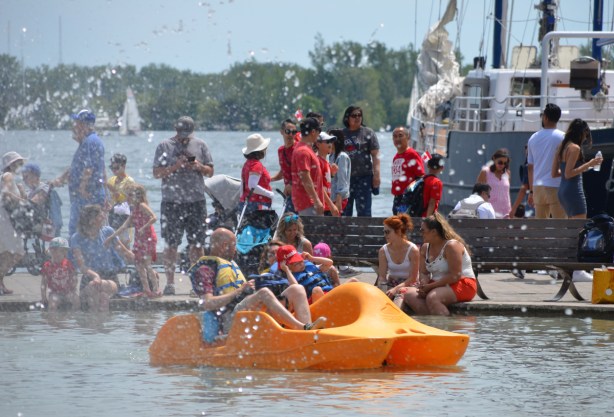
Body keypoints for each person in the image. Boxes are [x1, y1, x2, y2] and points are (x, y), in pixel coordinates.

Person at [190, 228, 326, 341]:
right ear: (224, 246)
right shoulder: (206, 269)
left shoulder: (230, 264)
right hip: (229, 320)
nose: (236, 250)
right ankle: (302, 328)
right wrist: (239, 291)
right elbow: (207, 303)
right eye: (233, 245)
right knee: (263, 293)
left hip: (246, 311)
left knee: (297, 289)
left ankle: (307, 336)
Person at [153, 116, 214, 295]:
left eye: (187, 134)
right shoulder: (164, 146)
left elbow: (210, 172)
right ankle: (170, 283)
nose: (184, 138)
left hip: (196, 201)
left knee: (197, 244)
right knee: (171, 244)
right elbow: (156, 173)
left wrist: (198, 166)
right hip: (172, 202)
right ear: (175, 129)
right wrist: (176, 166)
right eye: (181, 134)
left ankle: (199, 284)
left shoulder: (200, 145)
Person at [403, 213, 477, 316]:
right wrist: (423, 284)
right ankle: (432, 322)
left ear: (434, 232)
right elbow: (423, 272)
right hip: (437, 284)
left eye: (422, 230)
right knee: (407, 293)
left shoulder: (452, 246)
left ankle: (445, 326)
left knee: (433, 297)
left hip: (463, 283)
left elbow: (455, 276)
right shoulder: (424, 248)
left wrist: (430, 287)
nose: (420, 233)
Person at [71, 204, 134, 311]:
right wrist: (95, 276)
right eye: (101, 216)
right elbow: (82, 267)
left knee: (97, 293)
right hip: (89, 278)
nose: (105, 217)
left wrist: (142, 262)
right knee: (102, 297)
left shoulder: (108, 232)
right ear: (91, 220)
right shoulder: (76, 238)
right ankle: (102, 323)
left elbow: (125, 252)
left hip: (110, 278)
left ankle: (94, 323)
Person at [105, 184, 160, 298]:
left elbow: (154, 217)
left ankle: (156, 289)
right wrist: (111, 237)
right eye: (127, 195)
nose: (128, 198)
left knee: (147, 265)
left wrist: (143, 227)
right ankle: (146, 290)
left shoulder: (142, 205)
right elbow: (123, 227)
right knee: (139, 265)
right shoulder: (134, 210)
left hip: (148, 238)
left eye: (130, 195)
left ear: (137, 196)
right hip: (139, 239)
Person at [64, 110, 108, 237]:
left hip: (87, 195)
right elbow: (102, 168)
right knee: (90, 230)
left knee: (77, 230)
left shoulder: (89, 141)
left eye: (77, 123)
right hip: (93, 193)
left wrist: (82, 188)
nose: (74, 126)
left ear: (84, 124)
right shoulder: (91, 141)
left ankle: (74, 256)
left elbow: (89, 168)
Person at [552, 118, 603, 219]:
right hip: (574, 191)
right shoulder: (575, 148)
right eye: (586, 135)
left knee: (571, 227)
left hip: (562, 192)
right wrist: (589, 163)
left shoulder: (561, 146)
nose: (585, 138)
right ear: (581, 133)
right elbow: (568, 173)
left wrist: (590, 166)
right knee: (580, 227)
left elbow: (554, 173)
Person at [527, 103, 567, 219]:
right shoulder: (563, 137)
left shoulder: (533, 138)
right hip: (556, 185)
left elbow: (530, 167)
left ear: (545, 117)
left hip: (538, 187)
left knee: (540, 227)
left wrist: (531, 191)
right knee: (560, 226)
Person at [342, 105, 381, 217]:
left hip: (364, 178)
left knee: (364, 212)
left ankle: (364, 233)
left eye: (359, 115)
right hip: (346, 179)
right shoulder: (341, 134)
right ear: (347, 118)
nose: (357, 118)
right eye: (354, 115)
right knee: (345, 211)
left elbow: (375, 155)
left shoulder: (368, 133)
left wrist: (377, 176)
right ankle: (345, 233)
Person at [376, 214, 420, 309]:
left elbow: (413, 278)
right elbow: (382, 277)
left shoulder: (413, 250)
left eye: (387, 232)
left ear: (399, 231)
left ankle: (395, 318)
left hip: (410, 285)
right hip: (391, 283)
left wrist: (396, 289)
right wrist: (382, 291)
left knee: (399, 297)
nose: (385, 235)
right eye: (384, 232)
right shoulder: (383, 251)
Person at [0, 151, 26, 295]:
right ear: (11, 164)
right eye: (18, 163)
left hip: (6, 218)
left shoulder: (8, 177)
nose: (19, 165)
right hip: (4, 218)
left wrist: (22, 193)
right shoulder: (8, 176)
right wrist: (22, 200)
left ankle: (1, 284)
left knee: (5, 252)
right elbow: (6, 193)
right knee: (16, 252)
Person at [291, 117, 325, 215]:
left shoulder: (306, 148)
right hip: (308, 203)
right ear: (313, 132)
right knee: (311, 230)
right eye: (319, 132)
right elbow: (305, 177)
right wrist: (316, 201)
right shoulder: (303, 151)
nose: (319, 135)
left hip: (309, 202)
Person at [391, 127, 425, 214]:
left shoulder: (412, 154)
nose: (397, 139)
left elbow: (421, 177)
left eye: (400, 136)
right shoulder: (396, 156)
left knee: (404, 223)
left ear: (408, 137)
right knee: (397, 224)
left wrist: (409, 196)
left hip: (408, 198)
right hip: (397, 197)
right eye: (395, 136)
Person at [40, 237, 79, 311]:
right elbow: (43, 283)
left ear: (65, 252)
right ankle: (53, 319)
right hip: (55, 293)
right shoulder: (47, 265)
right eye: (53, 250)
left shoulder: (68, 264)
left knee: (76, 301)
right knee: (52, 304)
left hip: (68, 292)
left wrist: (74, 286)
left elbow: (74, 277)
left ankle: (72, 317)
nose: (55, 253)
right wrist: (43, 297)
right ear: (50, 251)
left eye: (58, 251)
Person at [239, 133, 274, 214]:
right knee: (261, 227)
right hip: (257, 205)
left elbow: (242, 185)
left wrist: (242, 200)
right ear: (260, 150)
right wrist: (270, 194)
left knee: (248, 226)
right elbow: (252, 186)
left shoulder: (247, 163)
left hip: (246, 203)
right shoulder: (256, 165)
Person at [106, 153, 135, 248]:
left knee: (124, 244)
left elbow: (131, 201)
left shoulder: (129, 181)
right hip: (112, 216)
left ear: (124, 166)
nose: (114, 171)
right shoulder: (111, 180)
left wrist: (115, 192)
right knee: (112, 243)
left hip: (123, 217)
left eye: (116, 168)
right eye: (112, 168)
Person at [270, 118, 298, 213]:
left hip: (299, 194)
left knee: (289, 222)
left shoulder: (298, 150)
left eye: (294, 132)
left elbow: (303, 173)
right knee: (288, 223)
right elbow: (284, 171)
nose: (291, 134)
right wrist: (269, 179)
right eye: (288, 131)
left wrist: (291, 184)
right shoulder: (280, 151)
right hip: (288, 194)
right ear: (281, 132)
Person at [477, 148, 512, 218]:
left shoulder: (507, 173)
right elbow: (478, 193)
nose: (502, 165)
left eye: (505, 163)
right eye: (500, 162)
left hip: (506, 212)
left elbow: (506, 193)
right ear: (494, 159)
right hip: (490, 212)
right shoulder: (485, 172)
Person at [314, 132, 340, 216]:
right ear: (318, 144)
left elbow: (325, 182)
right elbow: (319, 186)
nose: (330, 144)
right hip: (321, 205)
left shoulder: (326, 163)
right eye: (327, 141)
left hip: (325, 204)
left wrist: (332, 174)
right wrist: (331, 205)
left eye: (331, 142)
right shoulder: (318, 161)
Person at [328, 128, 351, 215]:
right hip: (332, 198)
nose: (327, 141)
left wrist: (339, 198)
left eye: (330, 139)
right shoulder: (331, 156)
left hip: (339, 199)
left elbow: (342, 179)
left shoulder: (342, 157)